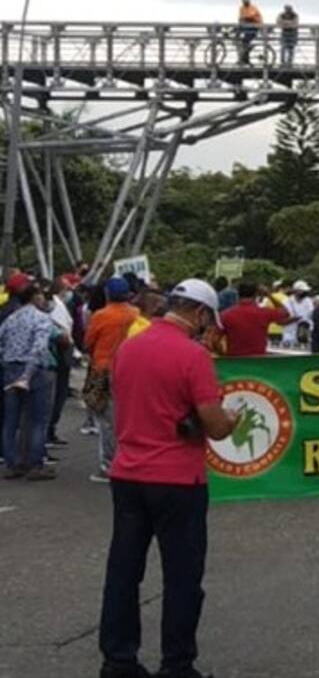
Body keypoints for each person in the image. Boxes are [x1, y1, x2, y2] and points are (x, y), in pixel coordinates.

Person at [98, 279, 239, 678]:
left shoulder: (129, 347)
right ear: (199, 314)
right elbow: (214, 425)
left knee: (123, 571)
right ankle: (177, 664)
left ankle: (118, 660)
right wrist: (232, 419)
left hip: (128, 473)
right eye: (209, 321)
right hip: (178, 478)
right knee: (181, 576)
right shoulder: (194, 356)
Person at [84, 278, 140, 484]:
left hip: (103, 369)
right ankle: (130, 460)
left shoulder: (101, 315)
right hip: (130, 370)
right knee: (129, 416)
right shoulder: (136, 314)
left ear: (107, 294)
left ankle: (109, 465)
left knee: (106, 420)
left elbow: (88, 341)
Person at [0, 282, 57, 479]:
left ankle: (11, 462)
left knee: (11, 420)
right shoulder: (42, 319)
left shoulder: (10, 320)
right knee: (37, 420)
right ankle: (35, 464)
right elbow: (39, 348)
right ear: (35, 297)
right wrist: (27, 374)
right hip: (35, 371)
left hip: (10, 367)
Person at [220, 282, 290, 357]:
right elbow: (285, 312)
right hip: (259, 362)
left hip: (234, 362)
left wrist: (223, 356)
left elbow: (213, 339)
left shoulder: (225, 315)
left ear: (238, 295)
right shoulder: (264, 313)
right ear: (256, 294)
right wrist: (268, 295)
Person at [46, 277, 76, 448]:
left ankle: (51, 430)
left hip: (62, 351)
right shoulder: (56, 307)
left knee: (59, 393)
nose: (69, 292)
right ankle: (49, 430)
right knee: (58, 393)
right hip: (60, 352)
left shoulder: (59, 305)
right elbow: (61, 330)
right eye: (67, 289)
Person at [281, 280, 314, 349]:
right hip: (289, 336)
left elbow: (311, 316)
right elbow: (282, 319)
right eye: (303, 290)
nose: (305, 292)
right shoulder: (286, 302)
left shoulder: (308, 301)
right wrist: (293, 319)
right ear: (296, 291)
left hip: (304, 335)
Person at [237, 0, 262, 65]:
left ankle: (245, 58)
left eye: (246, 1)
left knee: (245, 41)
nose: (245, 2)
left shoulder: (253, 7)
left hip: (254, 27)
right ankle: (245, 59)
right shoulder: (241, 8)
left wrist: (244, 18)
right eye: (244, 1)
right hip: (246, 27)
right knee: (242, 42)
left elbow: (250, 16)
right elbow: (241, 17)